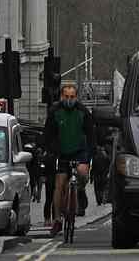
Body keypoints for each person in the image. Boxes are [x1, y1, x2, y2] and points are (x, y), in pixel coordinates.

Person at [43, 85, 95, 236]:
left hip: (80, 151)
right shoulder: (54, 112)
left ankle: (79, 190)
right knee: (58, 185)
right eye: (66, 96)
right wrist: (52, 151)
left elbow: (91, 134)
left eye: (72, 97)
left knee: (82, 173)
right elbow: (48, 135)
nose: (69, 100)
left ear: (76, 97)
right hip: (62, 152)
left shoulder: (83, 112)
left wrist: (90, 154)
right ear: (61, 97)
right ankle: (57, 220)